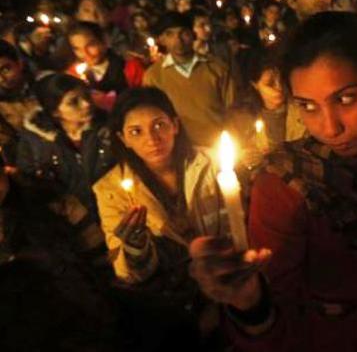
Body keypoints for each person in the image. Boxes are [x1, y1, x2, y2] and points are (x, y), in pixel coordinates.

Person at [190, 11, 357, 351]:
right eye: (307, 106)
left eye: (345, 99)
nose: (329, 128)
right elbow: (278, 312)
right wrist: (250, 303)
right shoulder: (284, 184)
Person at [93, 87, 231, 348]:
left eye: (159, 125)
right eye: (137, 131)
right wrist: (136, 246)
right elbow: (126, 272)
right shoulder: (110, 190)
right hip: (172, 311)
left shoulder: (213, 163)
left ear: (175, 125)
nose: (152, 139)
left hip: (225, 287)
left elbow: (240, 223)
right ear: (123, 138)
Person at [16, 73, 114, 268]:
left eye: (86, 96)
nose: (86, 104)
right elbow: (30, 180)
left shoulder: (107, 128)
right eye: (74, 102)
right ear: (54, 112)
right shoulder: (37, 142)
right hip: (78, 230)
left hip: (114, 214)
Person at [143, 12, 235, 146]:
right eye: (170, 34)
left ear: (193, 35)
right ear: (161, 39)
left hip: (216, 144)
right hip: (178, 149)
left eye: (183, 33)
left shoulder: (216, 68)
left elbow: (233, 108)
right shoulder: (153, 76)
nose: (178, 40)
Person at [228, 50, 306, 168]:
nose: (279, 88)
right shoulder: (243, 118)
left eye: (282, 81)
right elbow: (237, 157)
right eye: (270, 84)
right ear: (255, 85)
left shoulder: (302, 108)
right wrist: (245, 157)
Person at [67, 21, 145, 110]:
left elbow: (142, 101)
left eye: (90, 46)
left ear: (104, 41)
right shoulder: (73, 74)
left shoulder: (129, 67)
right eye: (78, 49)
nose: (85, 54)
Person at [0, 39, 39, 163]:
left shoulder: (44, 84)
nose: (1, 79)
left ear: (19, 63)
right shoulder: (2, 106)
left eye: (5, 69)